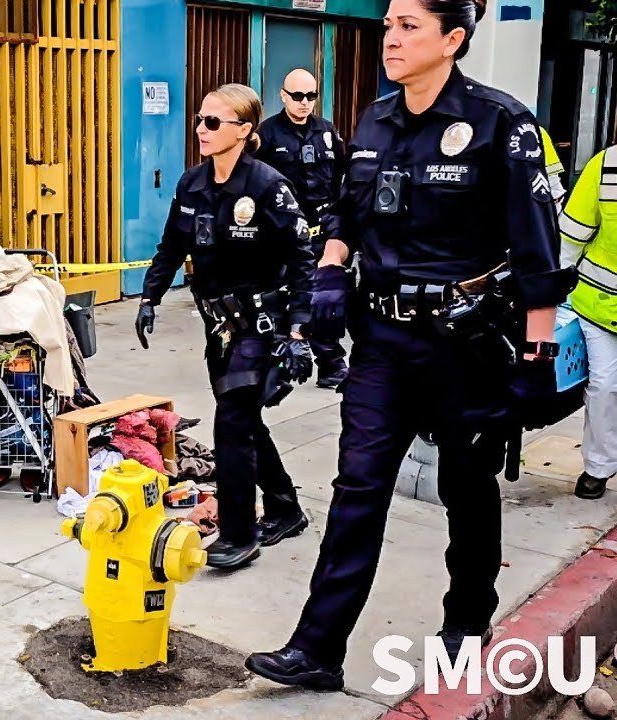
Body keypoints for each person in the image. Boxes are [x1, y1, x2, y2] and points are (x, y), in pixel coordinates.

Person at [245, 0, 575, 689]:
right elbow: (347, 207)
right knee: (357, 485)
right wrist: (333, 265)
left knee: (466, 486)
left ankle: (466, 620)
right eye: (389, 24)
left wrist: (538, 356)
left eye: (408, 27)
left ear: (452, 39)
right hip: (382, 341)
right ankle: (317, 649)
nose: (391, 38)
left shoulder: (501, 122)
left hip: (467, 345)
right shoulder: (373, 118)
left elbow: (536, 247)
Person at [136, 83, 316, 570]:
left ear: (244, 130)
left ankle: (239, 534)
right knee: (246, 422)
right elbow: (172, 246)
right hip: (219, 326)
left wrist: (299, 329)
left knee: (232, 425)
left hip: (262, 324)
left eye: (213, 122)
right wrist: (150, 296)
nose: (201, 129)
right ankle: (284, 507)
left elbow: (302, 259)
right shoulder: (192, 183)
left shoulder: (267, 186)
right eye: (199, 120)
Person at [255, 68, 350, 389]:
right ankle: (283, 365)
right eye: (297, 96)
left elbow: (341, 178)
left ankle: (331, 365)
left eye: (311, 96)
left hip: (322, 232)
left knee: (327, 300)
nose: (304, 102)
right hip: (281, 235)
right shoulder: (266, 135)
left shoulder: (326, 131)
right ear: (283, 96)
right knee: (280, 301)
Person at [556, 145, 617, 499]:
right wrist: (549, 289)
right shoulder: (606, 165)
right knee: (605, 385)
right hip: (598, 302)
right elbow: (571, 235)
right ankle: (598, 466)